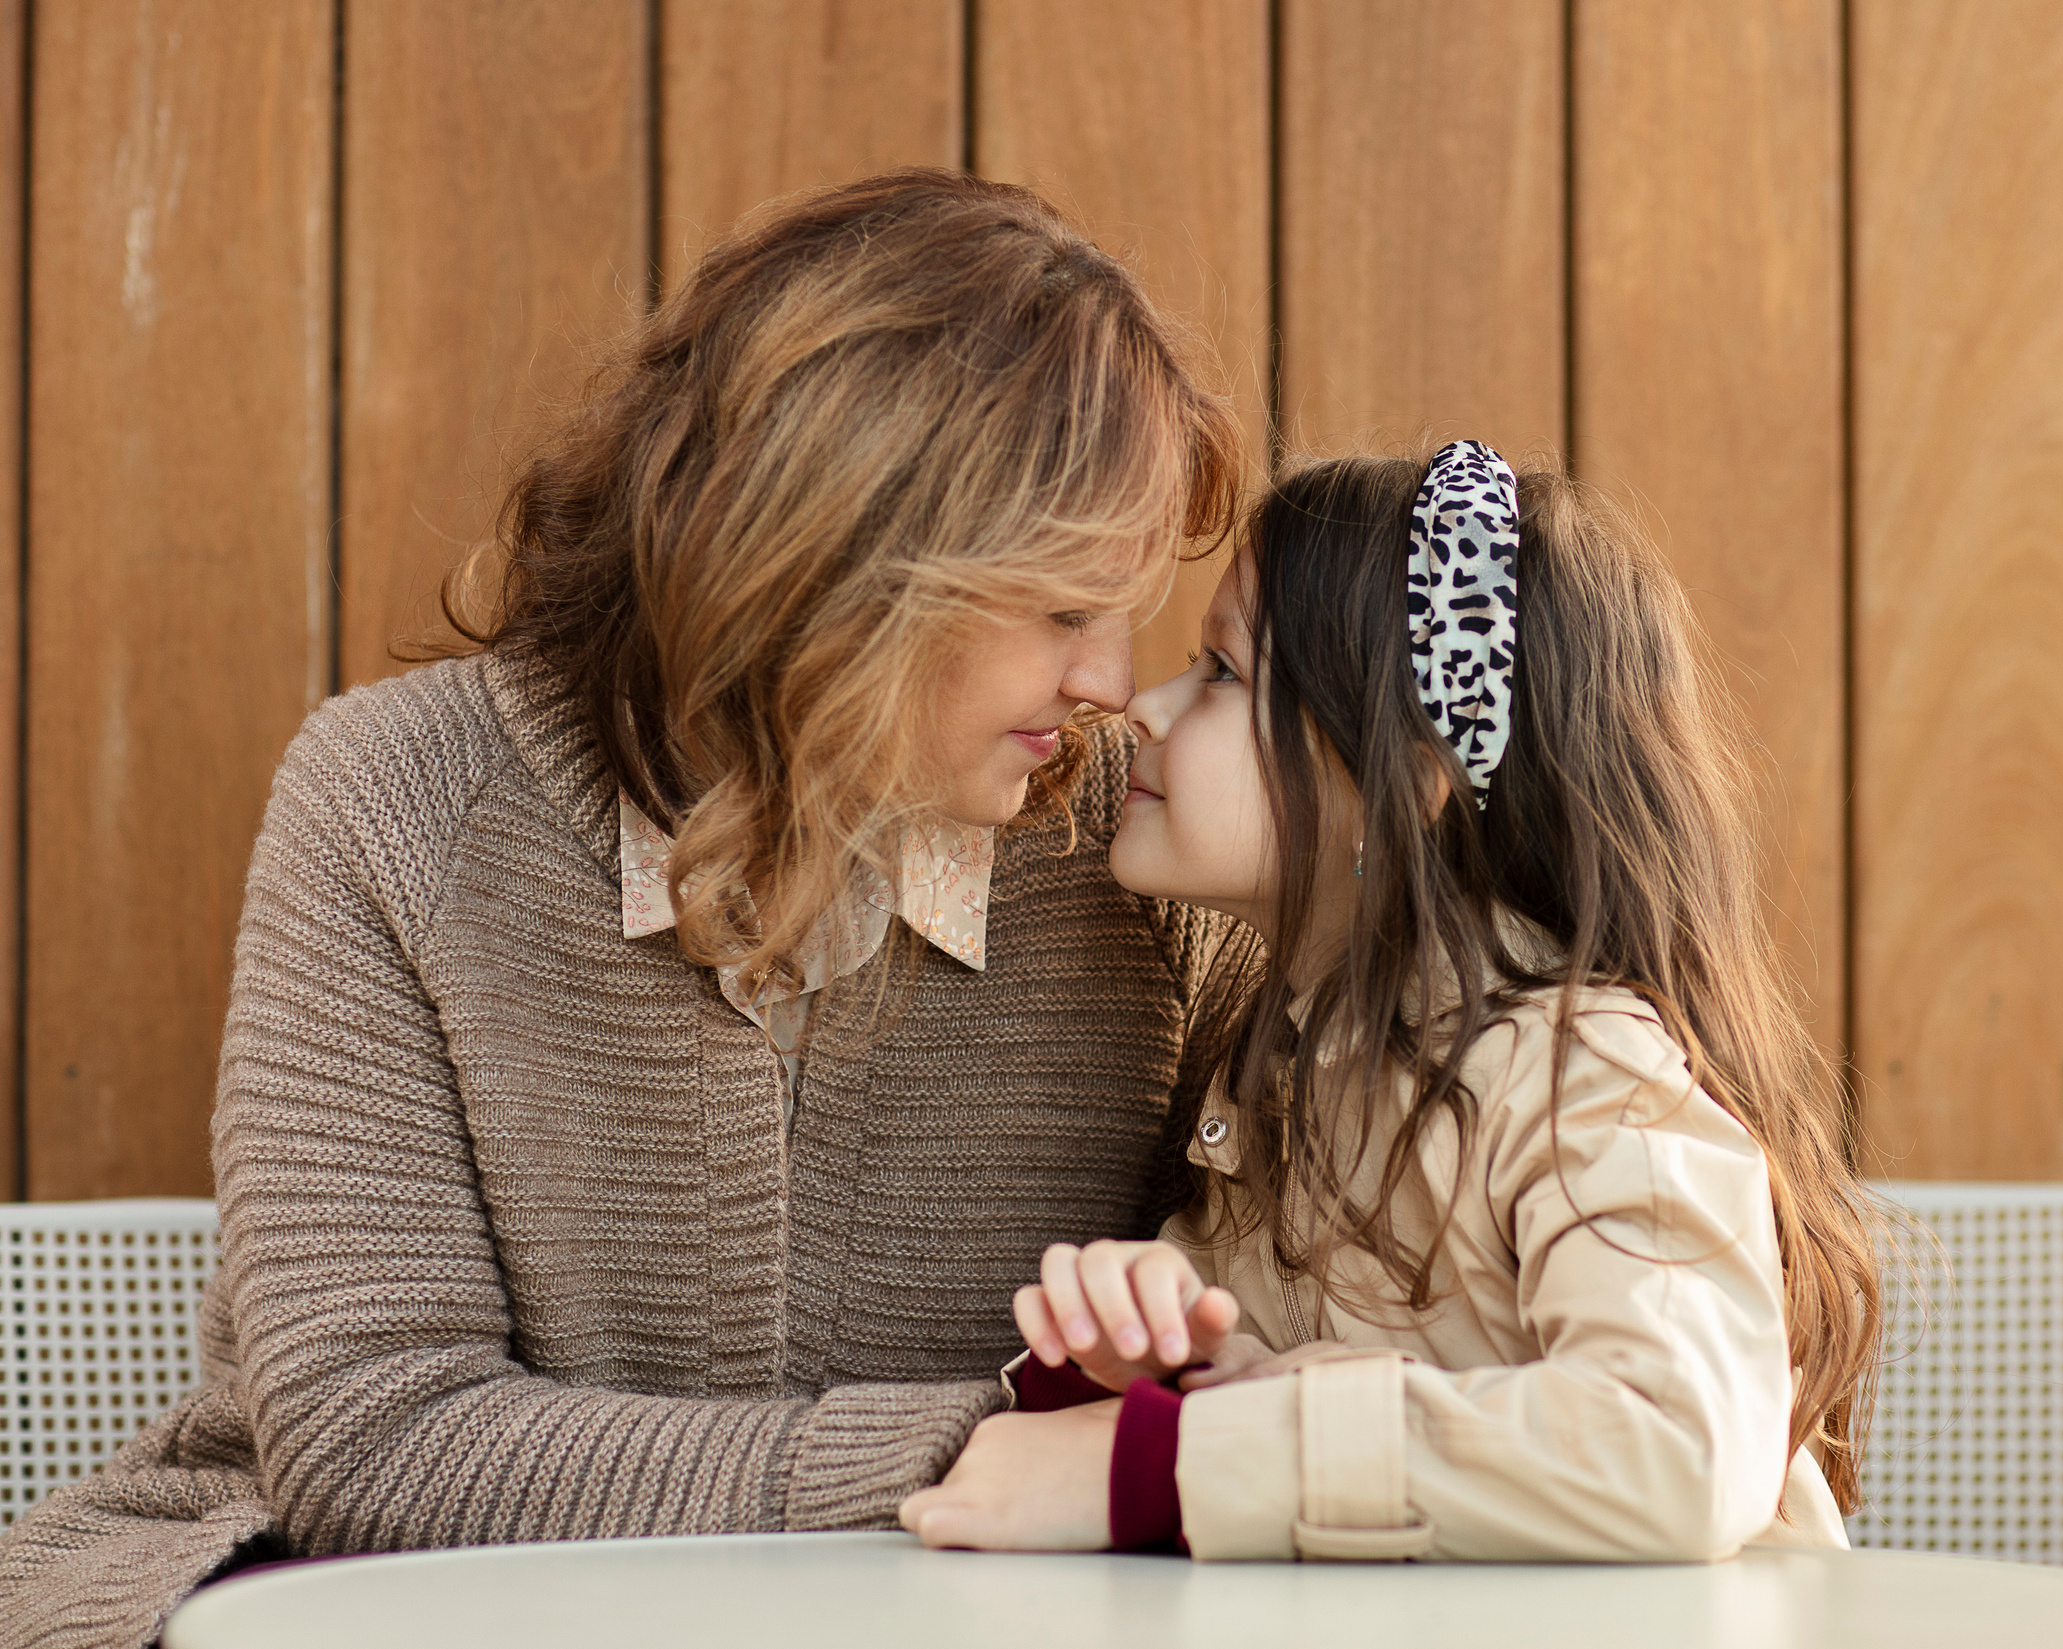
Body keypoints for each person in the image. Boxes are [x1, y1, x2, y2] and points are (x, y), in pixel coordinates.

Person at [0, 170, 1241, 1649]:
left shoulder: (1140, 846)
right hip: (361, 1603)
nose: (1111, 681)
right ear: (838, 563)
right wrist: (985, 1440)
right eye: (1058, 610)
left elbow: (1323, 1318)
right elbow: (378, 1443)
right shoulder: (395, 800)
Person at [899, 445, 1883, 1560]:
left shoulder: (1577, 1069)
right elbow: (1296, 1373)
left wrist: (1177, 1466)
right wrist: (1155, 1341)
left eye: (1221, 672)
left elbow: (1675, 1442)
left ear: (1407, 777)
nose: (1144, 705)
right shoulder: (1289, 1069)